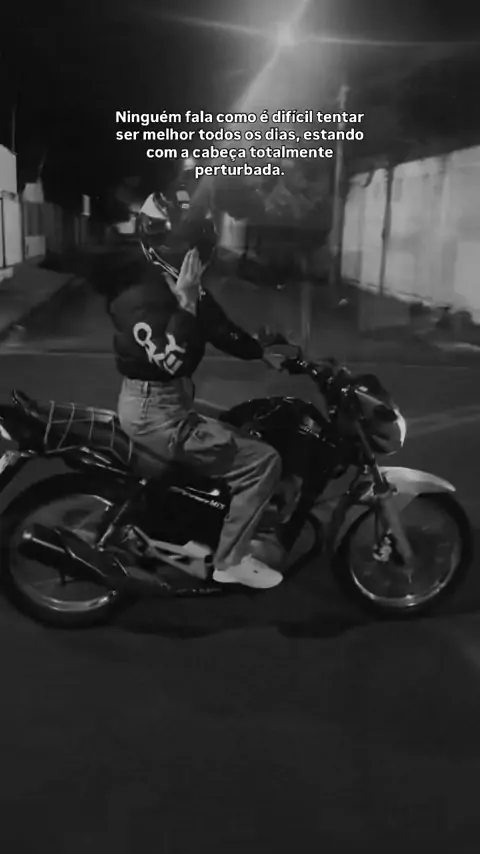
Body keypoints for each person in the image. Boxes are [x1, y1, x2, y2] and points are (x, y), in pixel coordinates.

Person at [108, 191, 284, 589]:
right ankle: (230, 561)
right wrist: (186, 303)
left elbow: (216, 325)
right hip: (157, 414)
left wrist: (260, 352)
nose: (200, 261)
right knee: (262, 461)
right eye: (194, 251)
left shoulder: (175, 282)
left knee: (242, 430)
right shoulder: (143, 295)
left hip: (167, 405)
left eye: (201, 252)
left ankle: (206, 527)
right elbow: (175, 360)